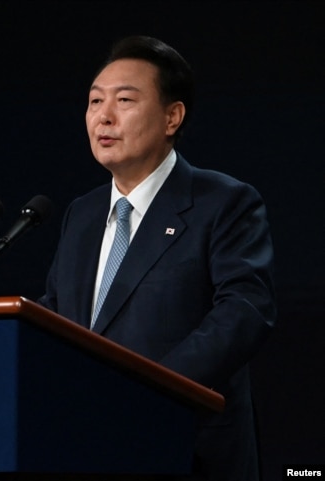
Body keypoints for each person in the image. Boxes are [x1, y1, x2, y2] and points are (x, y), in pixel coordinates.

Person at [38, 36, 276, 480]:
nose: (103, 117)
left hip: (185, 444)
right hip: (84, 444)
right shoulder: (83, 214)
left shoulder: (223, 201)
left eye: (124, 100)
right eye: (94, 102)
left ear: (172, 116)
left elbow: (245, 311)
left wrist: (152, 390)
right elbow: (58, 316)